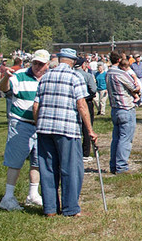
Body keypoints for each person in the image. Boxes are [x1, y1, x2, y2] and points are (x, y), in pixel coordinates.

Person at [33, 48, 97, 217]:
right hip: (67, 129)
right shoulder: (75, 77)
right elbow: (82, 105)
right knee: (71, 169)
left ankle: (50, 209)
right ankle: (70, 208)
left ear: (60, 59)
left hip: (44, 128)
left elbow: (36, 105)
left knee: (47, 169)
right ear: (74, 61)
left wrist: (38, 124)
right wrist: (90, 130)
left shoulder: (45, 77)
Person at [0, 49, 50, 211]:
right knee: (15, 161)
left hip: (40, 126)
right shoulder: (20, 75)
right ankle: (8, 197)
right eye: (35, 63)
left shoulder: (49, 78)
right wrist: (6, 77)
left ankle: (33, 194)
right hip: (21, 123)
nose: (37, 66)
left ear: (47, 65)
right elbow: (4, 89)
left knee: (37, 161)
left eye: (41, 64)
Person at [106, 51, 141, 174]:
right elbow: (135, 87)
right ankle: (121, 167)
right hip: (126, 108)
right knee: (125, 139)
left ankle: (113, 165)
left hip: (115, 108)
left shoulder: (109, 73)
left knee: (116, 138)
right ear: (120, 60)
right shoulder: (120, 73)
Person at [74, 57, 98, 161]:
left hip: (73, 103)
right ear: (83, 65)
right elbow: (93, 89)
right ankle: (86, 152)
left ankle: (75, 150)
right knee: (87, 127)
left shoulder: (71, 74)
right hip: (86, 102)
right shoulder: (87, 75)